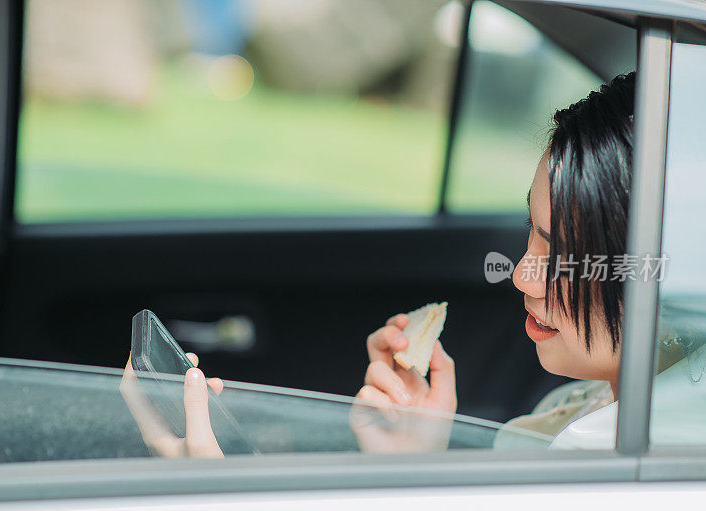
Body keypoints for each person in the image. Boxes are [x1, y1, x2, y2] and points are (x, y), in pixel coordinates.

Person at [124, 71, 647, 457]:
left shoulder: (624, 467)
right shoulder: (589, 405)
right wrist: (415, 460)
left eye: (564, 255)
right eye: (531, 235)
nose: (520, 274)